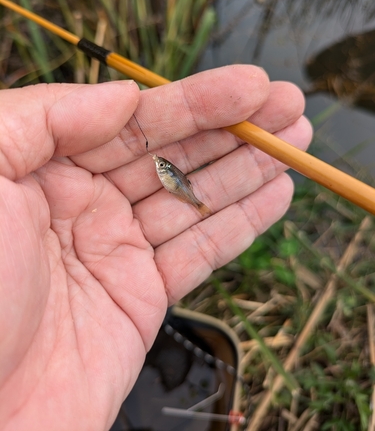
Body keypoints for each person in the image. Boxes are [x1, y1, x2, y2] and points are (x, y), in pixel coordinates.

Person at [0, 65, 312, 430]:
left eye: (162, 166)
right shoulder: (161, 172)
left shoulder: (169, 175)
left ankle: (196, 204)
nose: (161, 167)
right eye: (163, 166)